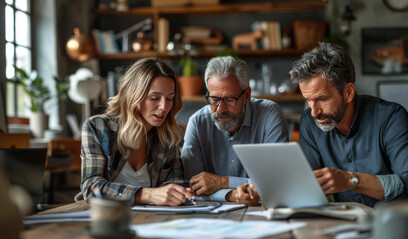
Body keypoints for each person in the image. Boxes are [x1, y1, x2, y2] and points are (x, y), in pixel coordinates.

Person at [289, 42, 408, 207]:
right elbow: (309, 184)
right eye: (308, 100)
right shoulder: (310, 122)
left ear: (348, 92)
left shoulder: (390, 117)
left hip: (391, 221)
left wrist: (351, 180)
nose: (314, 112)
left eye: (322, 99)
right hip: (342, 222)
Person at [75, 58, 193, 206]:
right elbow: (91, 188)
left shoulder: (170, 135)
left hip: (154, 220)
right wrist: (147, 194)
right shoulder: (97, 127)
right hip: (106, 219)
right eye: (154, 98)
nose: (164, 107)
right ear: (134, 96)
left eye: (170, 98)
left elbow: (175, 188)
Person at [181, 56, 288, 205]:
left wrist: (222, 182)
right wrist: (231, 195)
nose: (221, 109)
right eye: (214, 99)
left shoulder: (269, 114)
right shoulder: (197, 122)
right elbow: (192, 188)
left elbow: (278, 181)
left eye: (230, 99)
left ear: (247, 96)